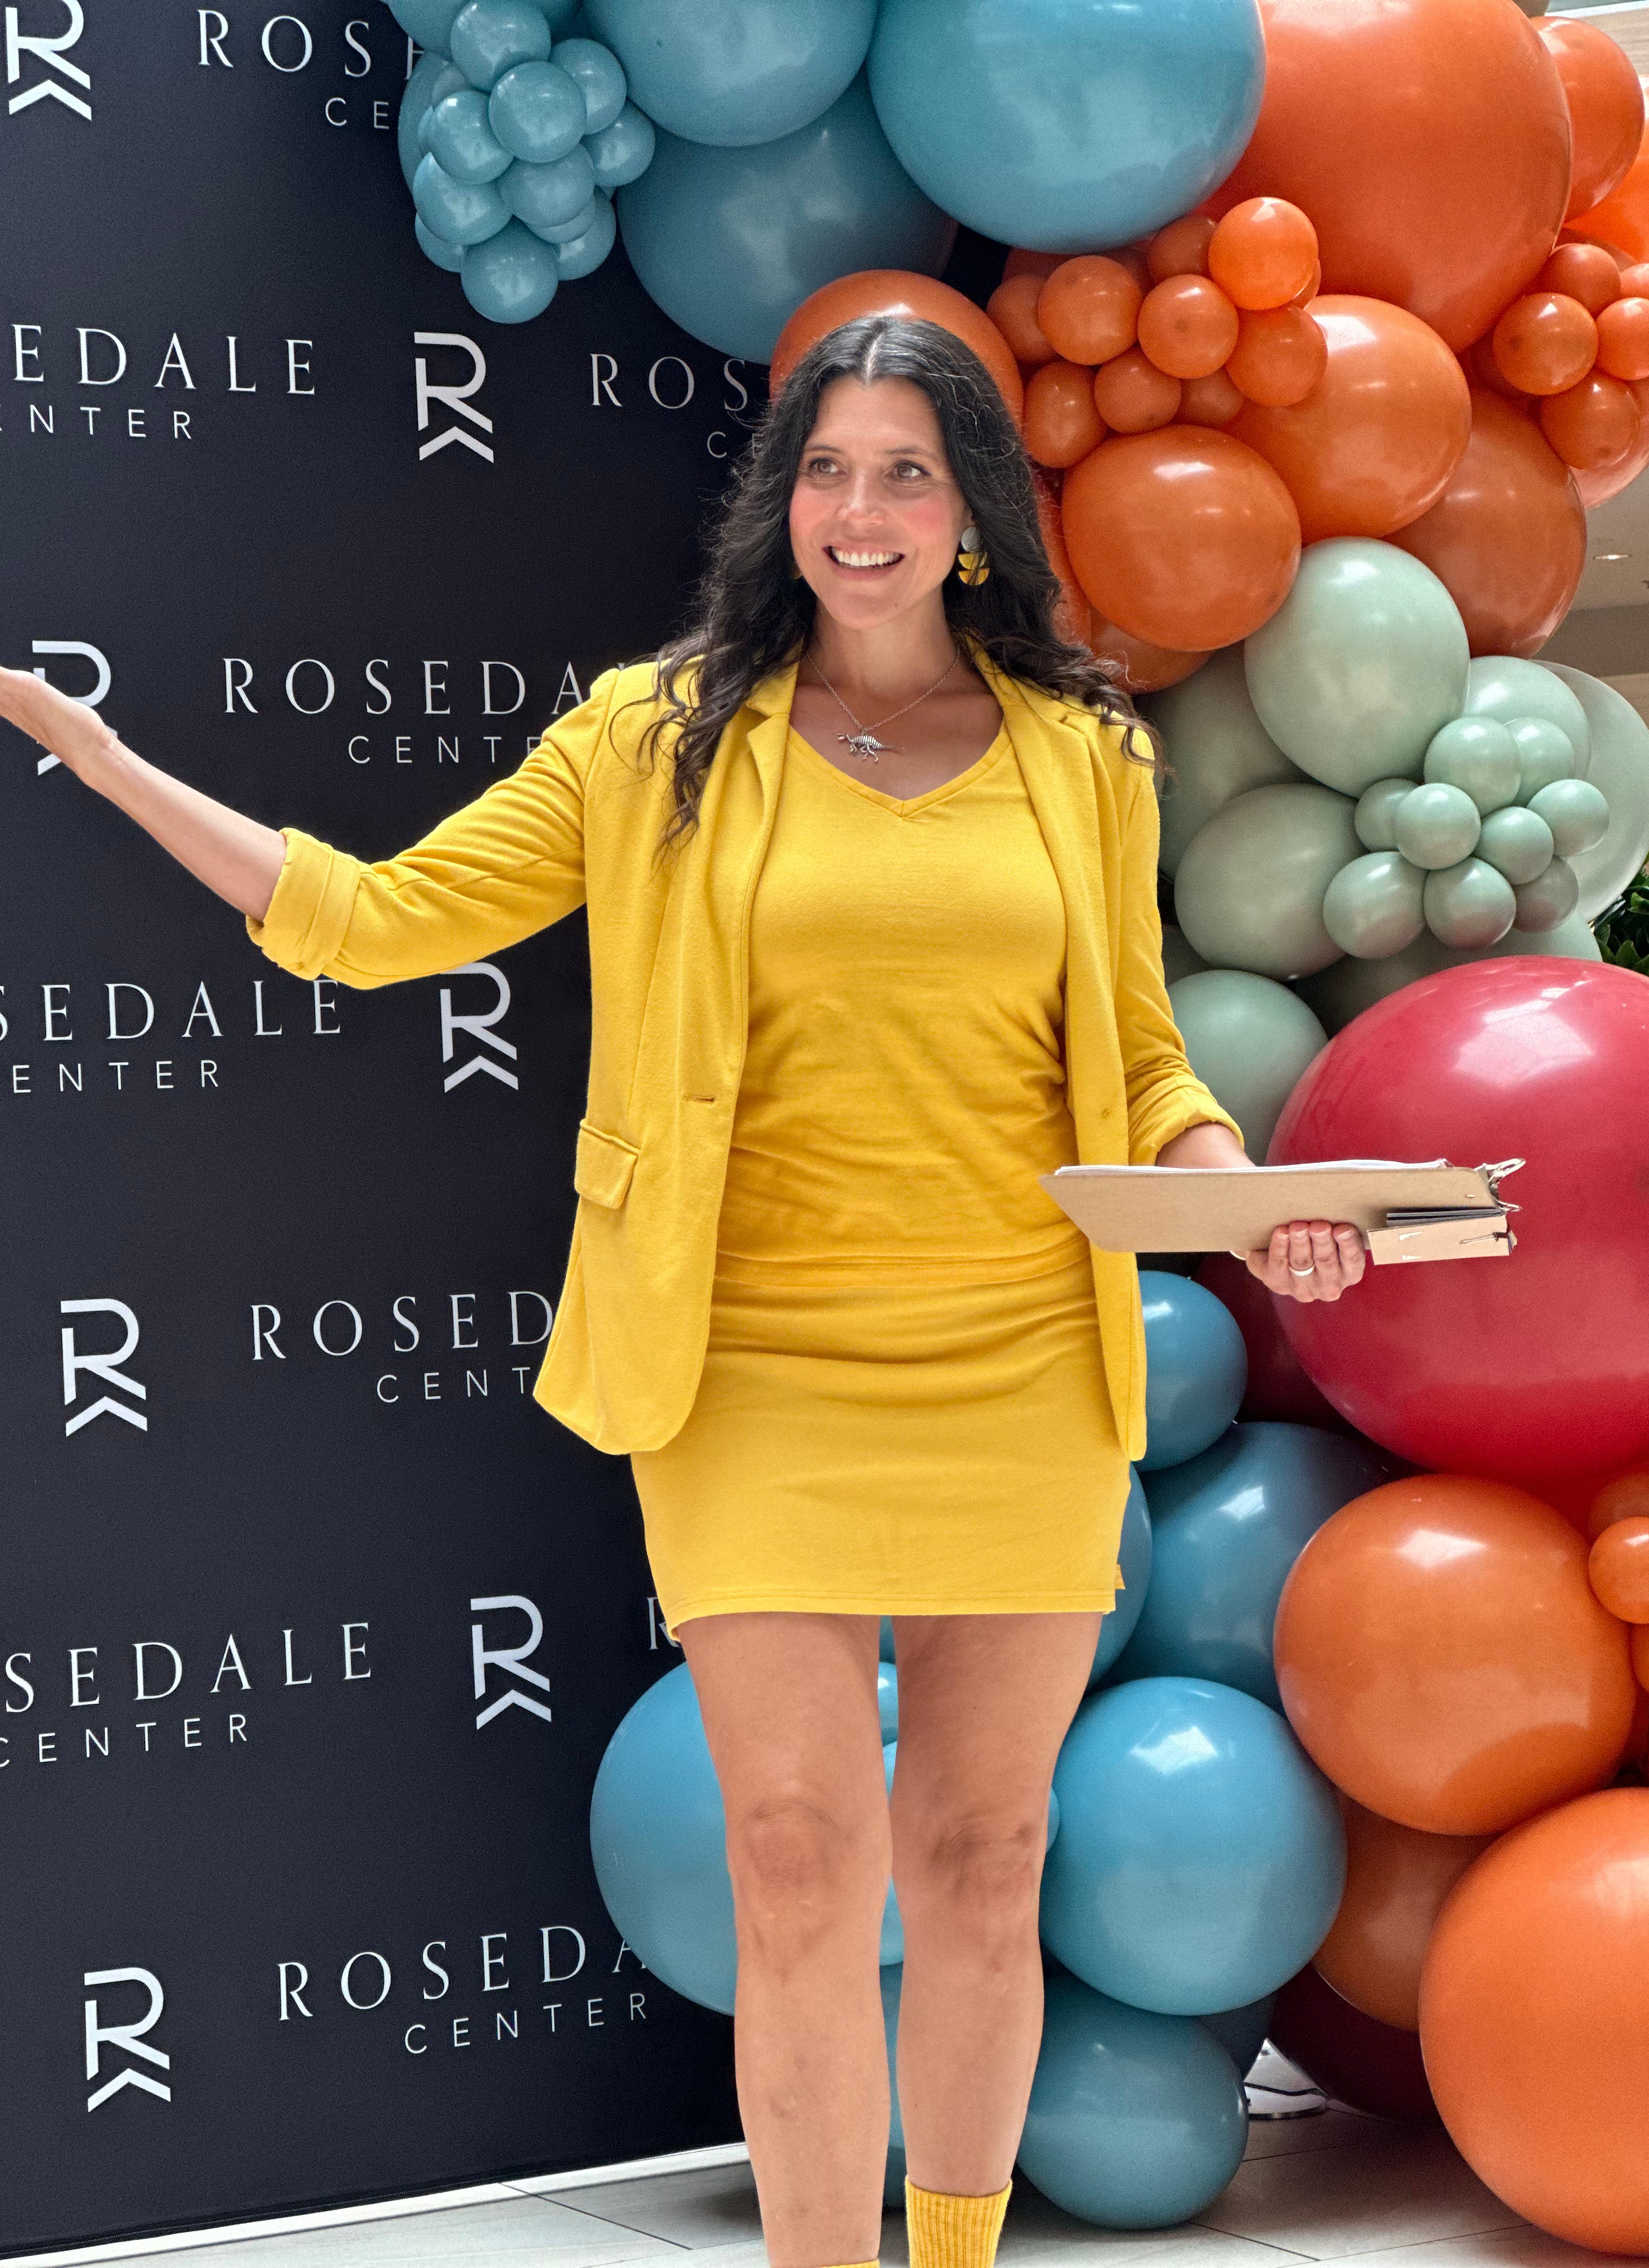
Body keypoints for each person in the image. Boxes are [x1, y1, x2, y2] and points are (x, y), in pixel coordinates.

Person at [0, 314, 1363, 2268]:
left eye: (906, 469)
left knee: (988, 1861)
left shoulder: (1087, 759)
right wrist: (119, 770)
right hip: (747, 1369)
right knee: (800, 1862)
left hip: (1017, 1365)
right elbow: (382, 922)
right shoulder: (653, 739)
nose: (861, 510)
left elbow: (1144, 1065)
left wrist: (1241, 1201)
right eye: (827, 469)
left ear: (974, 508)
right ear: (780, 502)